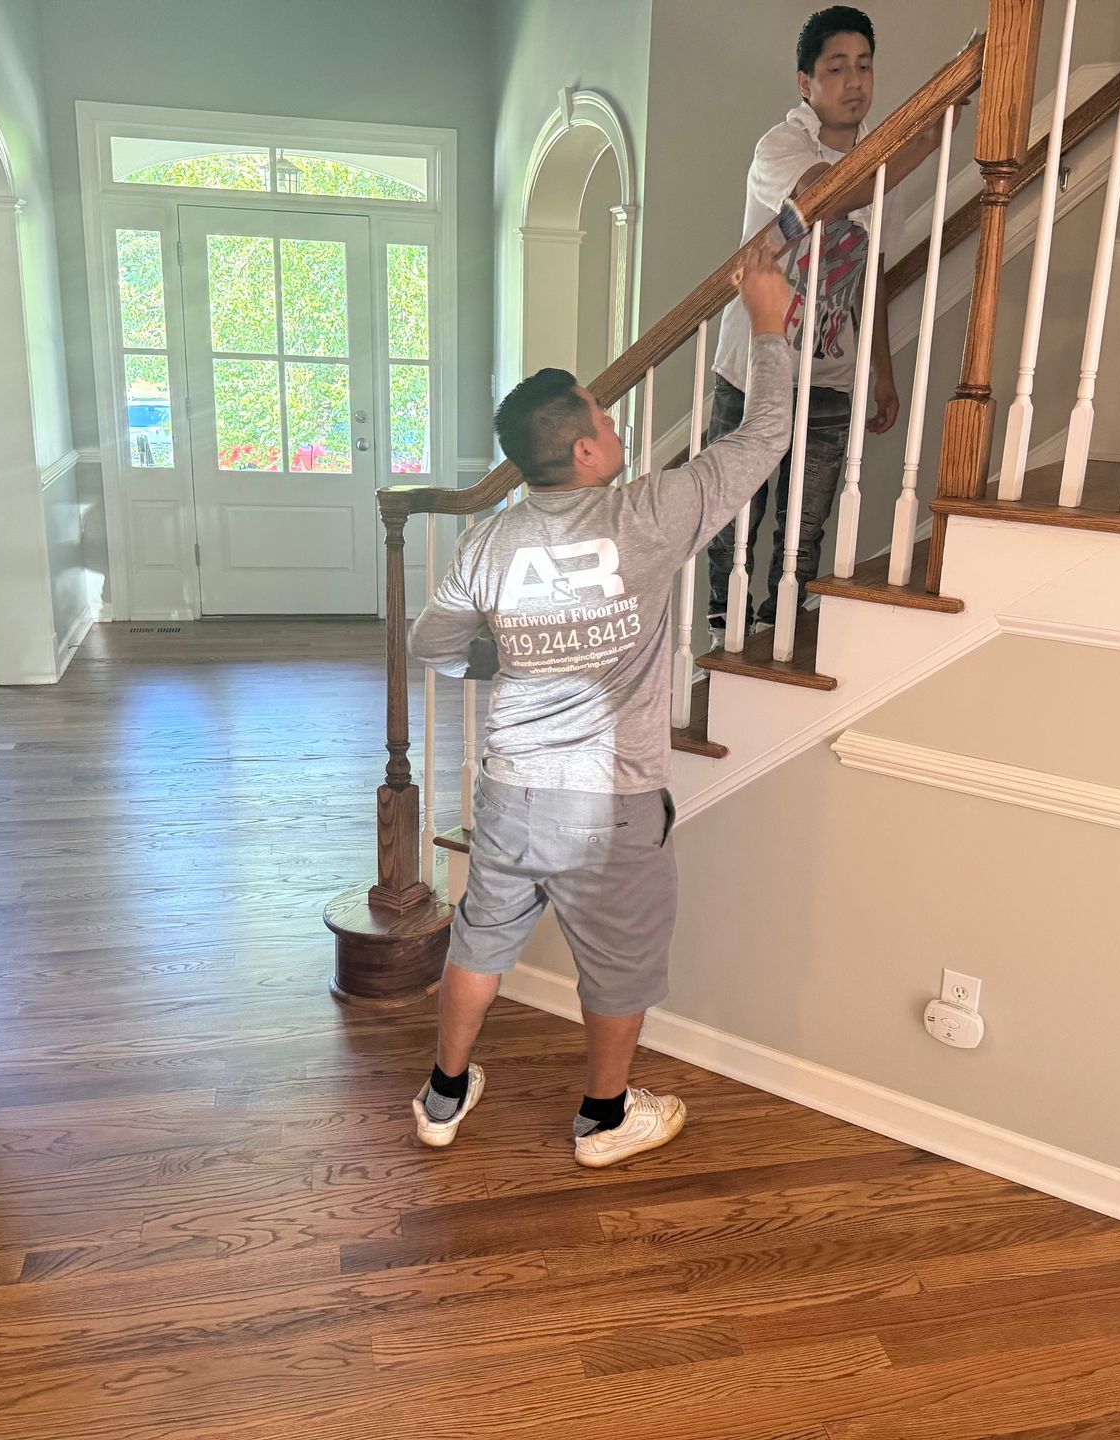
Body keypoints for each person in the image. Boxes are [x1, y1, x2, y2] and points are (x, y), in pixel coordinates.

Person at [405, 243, 798, 1169]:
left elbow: (432, 646)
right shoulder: (648, 516)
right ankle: (604, 1118)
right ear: (583, 450)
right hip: (612, 804)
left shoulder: (489, 543)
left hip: (509, 790)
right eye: (605, 416)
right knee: (617, 964)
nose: (615, 424)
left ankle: (443, 1095)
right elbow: (765, 438)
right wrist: (770, 326)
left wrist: (502, 659)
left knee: (481, 941)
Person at [706, 4, 948, 631]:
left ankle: (777, 630)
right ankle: (718, 640)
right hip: (753, 371)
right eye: (837, 68)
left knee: (805, 527)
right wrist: (923, 139)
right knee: (734, 514)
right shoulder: (781, 146)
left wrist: (882, 372)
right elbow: (828, 193)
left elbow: (872, 272)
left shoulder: (881, 158)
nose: (855, 82)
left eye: (864, 66)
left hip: (830, 377)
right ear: (805, 82)